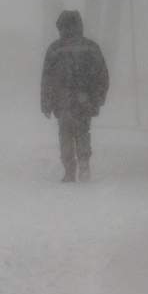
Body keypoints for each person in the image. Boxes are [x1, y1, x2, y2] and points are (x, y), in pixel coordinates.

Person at [41, 10, 109, 183]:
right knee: (83, 132)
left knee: (65, 134)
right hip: (84, 100)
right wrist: (98, 98)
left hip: (62, 101)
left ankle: (69, 170)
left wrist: (46, 102)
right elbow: (102, 75)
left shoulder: (55, 48)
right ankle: (84, 165)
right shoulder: (91, 47)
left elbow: (47, 78)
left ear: (61, 26)